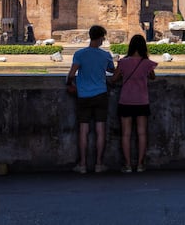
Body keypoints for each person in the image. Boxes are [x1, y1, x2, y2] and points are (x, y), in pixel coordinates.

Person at [66, 24, 115, 174]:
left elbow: (71, 75)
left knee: (83, 130)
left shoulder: (80, 54)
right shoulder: (105, 55)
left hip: (83, 95)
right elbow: (112, 70)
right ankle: (99, 164)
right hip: (100, 94)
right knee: (100, 130)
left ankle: (82, 165)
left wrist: (70, 85)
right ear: (100, 38)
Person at [112, 34, 157, 173]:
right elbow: (153, 77)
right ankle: (140, 165)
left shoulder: (123, 62)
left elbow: (114, 79)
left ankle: (127, 165)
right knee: (142, 133)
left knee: (126, 134)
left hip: (126, 100)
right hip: (142, 100)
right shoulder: (146, 63)